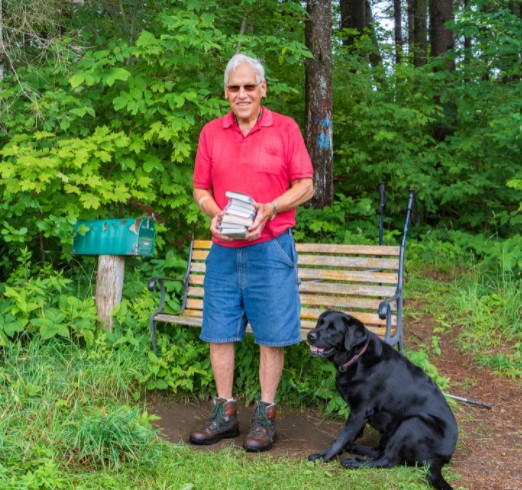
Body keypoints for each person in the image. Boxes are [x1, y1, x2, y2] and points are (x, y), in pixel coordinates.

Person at [189, 53, 314, 452]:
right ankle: (225, 415)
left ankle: (265, 416)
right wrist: (213, 214)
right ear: (225, 92)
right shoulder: (211, 132)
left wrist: (272, 207)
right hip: (224, 249)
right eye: (233, 87)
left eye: (248, 86)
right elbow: (200, 190)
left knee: (272, 335)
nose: (241, 94)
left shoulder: (286, 129)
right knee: (219, 331)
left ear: (262, 89)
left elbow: (306, 184)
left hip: (271, 247)